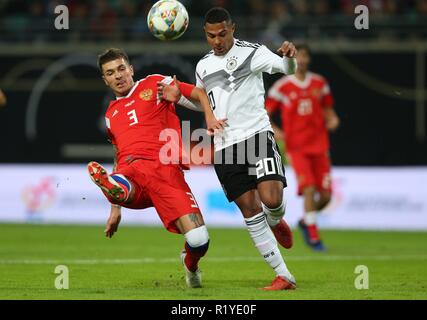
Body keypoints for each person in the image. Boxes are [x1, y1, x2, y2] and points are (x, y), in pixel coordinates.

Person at [88, 48, 226, 288]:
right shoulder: (111, 114)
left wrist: (209, 118)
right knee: (121, 181)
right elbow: (117, 154)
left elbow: (199, 93)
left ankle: (190, 264)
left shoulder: (155, 83)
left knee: (199, 240)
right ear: (105, 80)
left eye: (121, 69)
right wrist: (115, 210)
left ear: (131, 69)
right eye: (110, 73)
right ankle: (113, 188)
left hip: (165, 173)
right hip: (130, 172)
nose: (118, 76)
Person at [194, 7, 298, 291]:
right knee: (250, 211)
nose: (217, 41)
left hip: (256, 136)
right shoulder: (202, 66)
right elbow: (204, 98)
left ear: (233, 29)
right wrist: (186, 102)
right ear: (206, 34)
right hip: (224, 147)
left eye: (222, 34)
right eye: (211, 36)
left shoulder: (253, 53)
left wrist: (290, 59)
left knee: (271, 198)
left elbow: (286, 68)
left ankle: (276, 219)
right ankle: (284, 275)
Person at [265, 43, 340, 251]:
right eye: (299, 56)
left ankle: (306, 221)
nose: (302, 60)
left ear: (309, 59)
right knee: (309, 189)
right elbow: (266, 114)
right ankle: (314, 237)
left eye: (305, 56)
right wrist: (277, 132)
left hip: (320, 145)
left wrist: (333, 120)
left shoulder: (319, 83)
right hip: (296, 147)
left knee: (325, 196)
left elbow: (329, 111)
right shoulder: (282, 86)